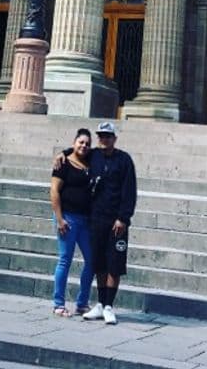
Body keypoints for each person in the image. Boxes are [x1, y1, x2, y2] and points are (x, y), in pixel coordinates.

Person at [81, 121, 137, 325]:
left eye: (108, 136)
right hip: (97, 219)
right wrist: (63, 153)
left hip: (117, 222)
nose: (104, 139)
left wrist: (124, 217)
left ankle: (109, 305)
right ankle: (100, 303)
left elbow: (129, 191)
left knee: (115, 264)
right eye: (101, 136)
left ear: (115, 138)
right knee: (99, 263)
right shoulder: (93, 155)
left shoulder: (124, 160)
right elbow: (75, 152)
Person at [50, 127, 94, 317]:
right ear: (74, 142)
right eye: (80, 142)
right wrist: (60, 219)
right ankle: (58, 304)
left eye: (87, 143)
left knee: (92, 261)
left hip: (86, 220)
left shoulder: (90, 162)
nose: (83, 146)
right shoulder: (63, 164)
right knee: (65, 260)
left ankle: (82, 303)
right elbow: (54, 191)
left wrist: (65, 151)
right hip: (67, 218)